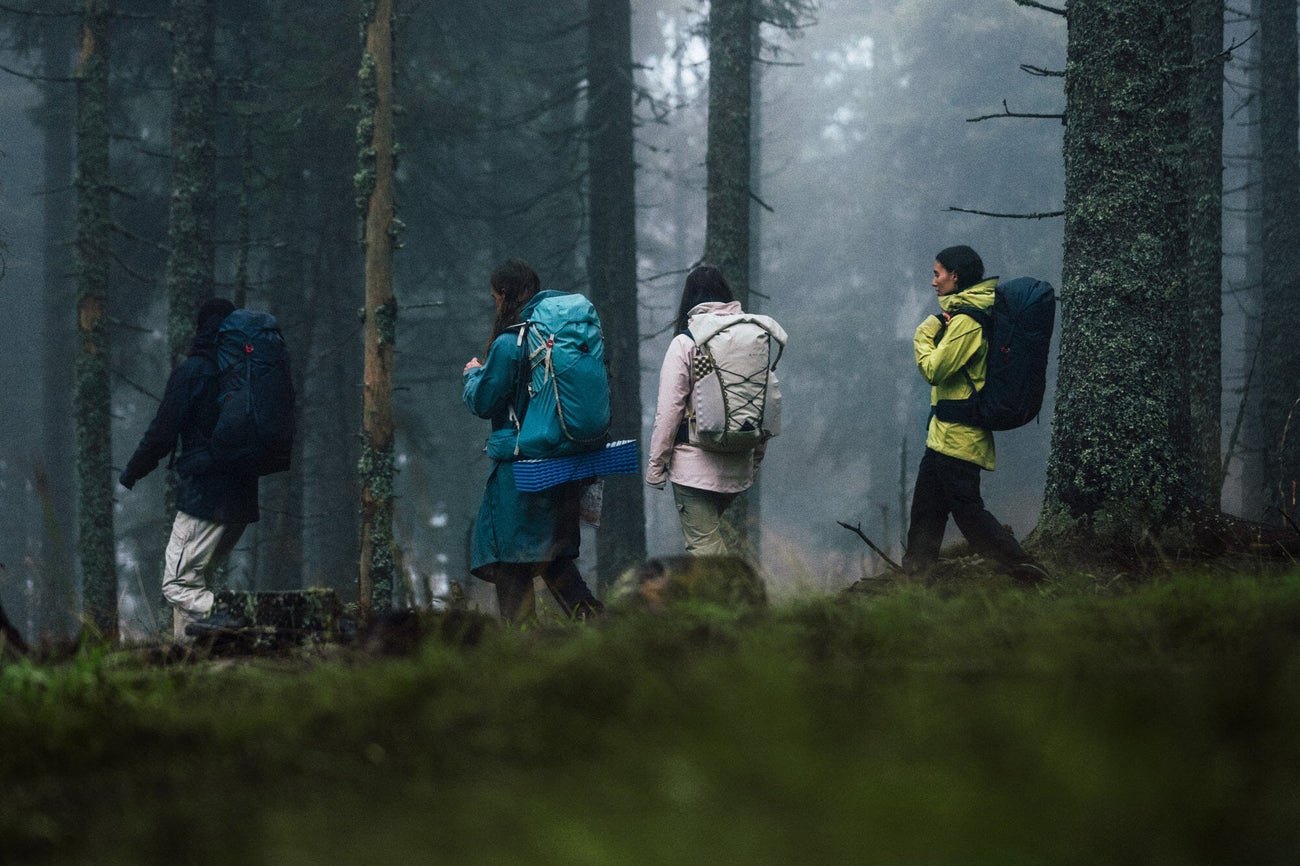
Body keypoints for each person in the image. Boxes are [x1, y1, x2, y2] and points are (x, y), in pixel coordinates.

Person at [462, 258, 603, 623]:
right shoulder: (559, 339)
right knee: (555, 561)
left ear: (503, 294)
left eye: (494, 297)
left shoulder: (510, 344)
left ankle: (522, 645)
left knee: (511, 562)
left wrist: (473, 376)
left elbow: (484, 402)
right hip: (564, 465)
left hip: (520, 474)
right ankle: (602, 628)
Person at [903, 245, 1049, 582]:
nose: (933, 281)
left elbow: (934, 370)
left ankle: (1028, 573)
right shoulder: (963, 316)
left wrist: (924, 333)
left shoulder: (967, 322)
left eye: (937, 274)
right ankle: (915, 582)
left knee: (970, 515)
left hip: (959, 437)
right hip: (943, 436)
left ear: (955, 276)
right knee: (926, 512)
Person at [119, 297, 256, 639]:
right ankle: (192, 656)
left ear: (200, 329)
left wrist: (132, 471)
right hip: (241, 501)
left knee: (177, 584)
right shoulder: (246, 373)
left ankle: (237, 617)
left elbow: (162, 432)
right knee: (195, 581)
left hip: (204, 497)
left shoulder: (193, 371)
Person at [646, 265, 765, 556]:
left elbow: (669, 411)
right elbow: (763, 402)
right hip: (737, 463)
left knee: (705, 551)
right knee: (709, 546)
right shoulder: (751, 338)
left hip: (693, 467)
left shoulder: (686, 342)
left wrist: (656, 468)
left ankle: (740, 587)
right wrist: (754, 460)